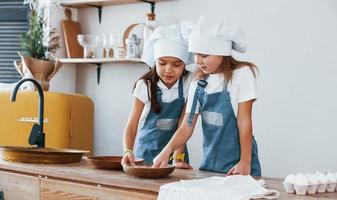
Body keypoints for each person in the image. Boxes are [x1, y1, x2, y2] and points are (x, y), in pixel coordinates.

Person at [153, 15, 261, 176]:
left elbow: (244, 121)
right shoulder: (198, 84)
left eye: (204, 55)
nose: (198, 61)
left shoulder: (242, 75)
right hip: (210, 162)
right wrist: (166, 151)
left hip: (239, 163)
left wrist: (245, 161)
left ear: (222, 53)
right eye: (195, 54)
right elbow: (186, 126)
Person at [121, 25, 194, 169]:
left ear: (184, 65)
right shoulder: (145, 85)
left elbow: (182, 125)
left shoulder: (188, 83)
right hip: (146, 153)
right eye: (162, 63)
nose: (168, 70)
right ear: (154, 62)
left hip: (176, 153)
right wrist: (128, 151)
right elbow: (132, 124)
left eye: (176, 65)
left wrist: (178, 159)